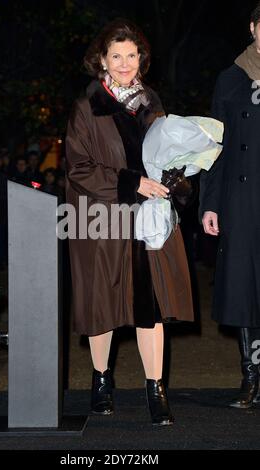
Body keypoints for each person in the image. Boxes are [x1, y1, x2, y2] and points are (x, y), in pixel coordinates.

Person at [65, 19, 194, 426]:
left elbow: (166, 153)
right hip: (104, 220)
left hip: (150, 221)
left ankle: (155, 389)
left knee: (150, 306)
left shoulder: (151, 101)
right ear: (101, 60)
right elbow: (78, 168)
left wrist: (177, 178)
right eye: (116, 55)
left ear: (142, 59)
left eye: (132, 55)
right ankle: (101, 380)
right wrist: (131, 182)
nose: (125, 63)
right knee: (103, 304)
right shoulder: (87, 107)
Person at [200, 2, 260, 409]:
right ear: (255, 28)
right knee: (245, 289)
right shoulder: (232, 77)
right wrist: (210, 204)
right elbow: (214, 146)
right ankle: (252, 377)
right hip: (241, 199)